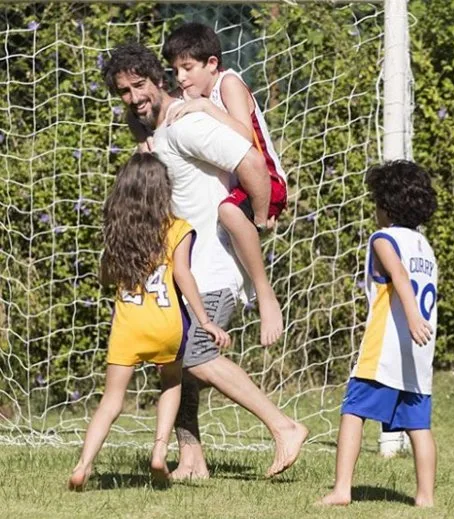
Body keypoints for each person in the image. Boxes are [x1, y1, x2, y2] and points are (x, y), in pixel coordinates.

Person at [102, 43, 308, 481]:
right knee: (174, 363)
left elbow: (251, 159)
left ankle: (284, 426)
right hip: (184, 269)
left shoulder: (187, 124)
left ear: (160, 80)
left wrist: (259, 214)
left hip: (213, 266)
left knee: (195, 357)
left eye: (141, 85)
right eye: (125, 90)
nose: (135, 96)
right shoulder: (151, 130)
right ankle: (192, 460)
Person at [68, 153, 230, 491]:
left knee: (111, 400)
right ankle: (159, 452)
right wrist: (205, 321)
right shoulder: (178, 229)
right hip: (166, 325)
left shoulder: (117, 231)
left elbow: (105, 277)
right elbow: (183, 276)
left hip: (127, 326)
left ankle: (83, 465)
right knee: (171, 382)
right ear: (164, 190)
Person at [131, 22, 286, 348]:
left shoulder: (227, 84)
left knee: (228, 213)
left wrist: (206, 107)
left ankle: (265, 294)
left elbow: (246, 139)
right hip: (242, 181)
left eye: (188, 68)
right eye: (175, 70)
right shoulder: (192, 93)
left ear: (212, 64)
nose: (182, 77)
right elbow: (154, 105)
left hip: (266, 178)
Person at [319, 160, 438, 507]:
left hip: (385, 347)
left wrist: (412, 316)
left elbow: (399, 276)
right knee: (419, 425)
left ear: (385, 206)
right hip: (418, 353)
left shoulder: (383, 238)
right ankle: (425, 497)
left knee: (353, 411)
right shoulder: (425, 247)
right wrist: (418, 323)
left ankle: (342, 490)